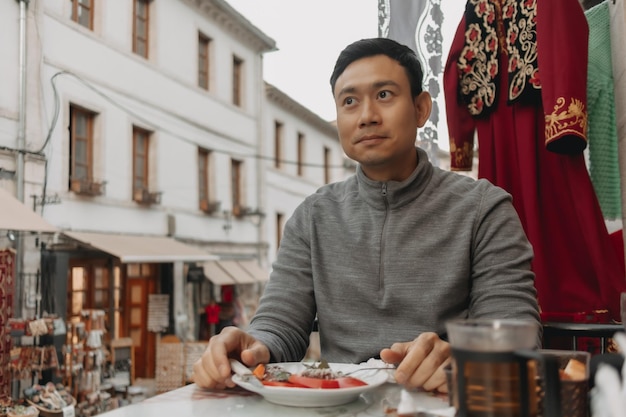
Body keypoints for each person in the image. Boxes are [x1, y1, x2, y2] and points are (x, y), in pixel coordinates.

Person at [192, 37, 540, 392]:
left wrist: (465, 358)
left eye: (385, 95)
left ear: (421, 109)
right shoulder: (313, 217)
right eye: (349, 102)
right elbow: (280, 323)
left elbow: (516, 334)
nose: (367, 116)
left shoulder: (484, 209)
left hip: (448, 402)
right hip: (338, 406)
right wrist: (252, 348)